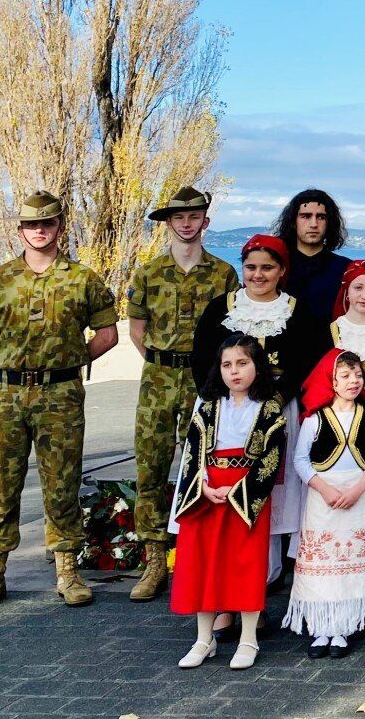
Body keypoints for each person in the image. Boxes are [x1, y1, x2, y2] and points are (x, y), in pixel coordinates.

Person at [0, 190, 119, 614]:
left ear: (60, 227)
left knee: (62, 483)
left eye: (47, 223)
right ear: (20, 230)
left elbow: (107, 335)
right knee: (0, 485)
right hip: (5, 397)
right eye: (31, 224)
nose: (39, 230)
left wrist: (66, 364)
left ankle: (68, 571)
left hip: (60, 395)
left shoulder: (83, 279)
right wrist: (7, 366)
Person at [193, 234, 331, 578]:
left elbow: (308, 364)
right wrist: (222, 401)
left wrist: (275, 402)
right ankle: (224, 574)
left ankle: (263, 574)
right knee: (224, 484)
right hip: (226, 411)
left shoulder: (299, 312)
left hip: (277, 410)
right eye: (251, 267)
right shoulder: (221, 309)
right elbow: (202, 360)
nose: (258, 274)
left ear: (282, 270)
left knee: (269, 487)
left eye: (267, 267)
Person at [127, 185, 236, 602]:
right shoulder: (148, 273)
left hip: (204, 379)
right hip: (158, 378)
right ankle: (155, 560)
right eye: (178, 217)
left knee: (206, 465)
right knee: (151, 466)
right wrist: (162, 361)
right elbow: (137, 330)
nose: (186, 224)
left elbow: (231, 331)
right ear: (168, 223)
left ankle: (199, 556)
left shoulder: (223, 274)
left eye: (194, 217)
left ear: (205, 221)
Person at [169, 336, 286, 671]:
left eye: (242, 363)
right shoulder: (207, 408)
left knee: (245, 564)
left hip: (245, 495)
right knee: (203, 564)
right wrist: (203, 487)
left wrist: (239, 490)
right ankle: (203, 639)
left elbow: (270, 459)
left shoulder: (269, 410)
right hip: (207, 494)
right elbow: (192, 454)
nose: (234, 371)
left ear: (257, 367)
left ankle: (248, 638)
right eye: (227, 365)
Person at [285, 349, 365, 658]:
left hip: (358, 497)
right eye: (345, 376)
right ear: (330, 381)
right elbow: (301, 460)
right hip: (323, 499)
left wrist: (358, 489)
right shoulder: (315, 418)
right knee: (324, 563)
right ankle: (321, 627)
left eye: (358, 375)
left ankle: (343, 626)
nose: (353, 381)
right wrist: (324, 489)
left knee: (349, 563)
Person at [278, 189, 354, 323]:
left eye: (321, 217)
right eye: (306, 216)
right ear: (294, 221)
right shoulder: (276, 266)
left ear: (329, 222)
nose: (314, 224)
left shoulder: (346, 269)